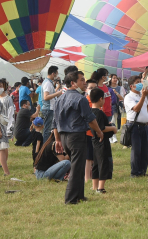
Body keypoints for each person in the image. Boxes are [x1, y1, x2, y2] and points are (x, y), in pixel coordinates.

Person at [52, 71, 103, 205]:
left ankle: (79, 195)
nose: (84, 82)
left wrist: (57, 140)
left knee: (79, 166)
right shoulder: (80, 99)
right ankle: (70, 198)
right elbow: (90, 119)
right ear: (73, 83)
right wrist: (99, 131)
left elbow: (54, 123)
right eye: (81, 80)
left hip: (64, 137)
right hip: (76, 136)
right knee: (76, 167)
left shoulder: (59, 99)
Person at [89, 88, 116, 193]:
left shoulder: (90, 112)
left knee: (95, 164)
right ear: (101, 99)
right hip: (102, 141)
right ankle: (101, 188)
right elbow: (101, 128)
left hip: (93, 141)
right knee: (103, 163)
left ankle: (95, 186)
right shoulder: (99, 113)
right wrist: (113, 128)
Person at [124, 75, 148, 178]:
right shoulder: (129, 97)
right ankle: (135, 172)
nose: (140, 83)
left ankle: (142, 171)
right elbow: (136, 108)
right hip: (135, 126)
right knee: (136, 150)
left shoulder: (142, 95)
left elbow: (147, 106)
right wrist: (143, 96)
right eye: (137, 82)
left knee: (145, 149)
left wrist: (147, 117)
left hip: (144, 126)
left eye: (140, 81)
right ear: (131, 86)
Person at [41, 66, 63, 139]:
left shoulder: (48, 82)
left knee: (48, 129)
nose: (57, 76)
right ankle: (45, 148)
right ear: (53, 73)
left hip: (49, 108)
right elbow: (46, 97)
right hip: (48, 109)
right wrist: (58, 93)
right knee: (47, 130)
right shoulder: (47, 83)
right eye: (56, 73)